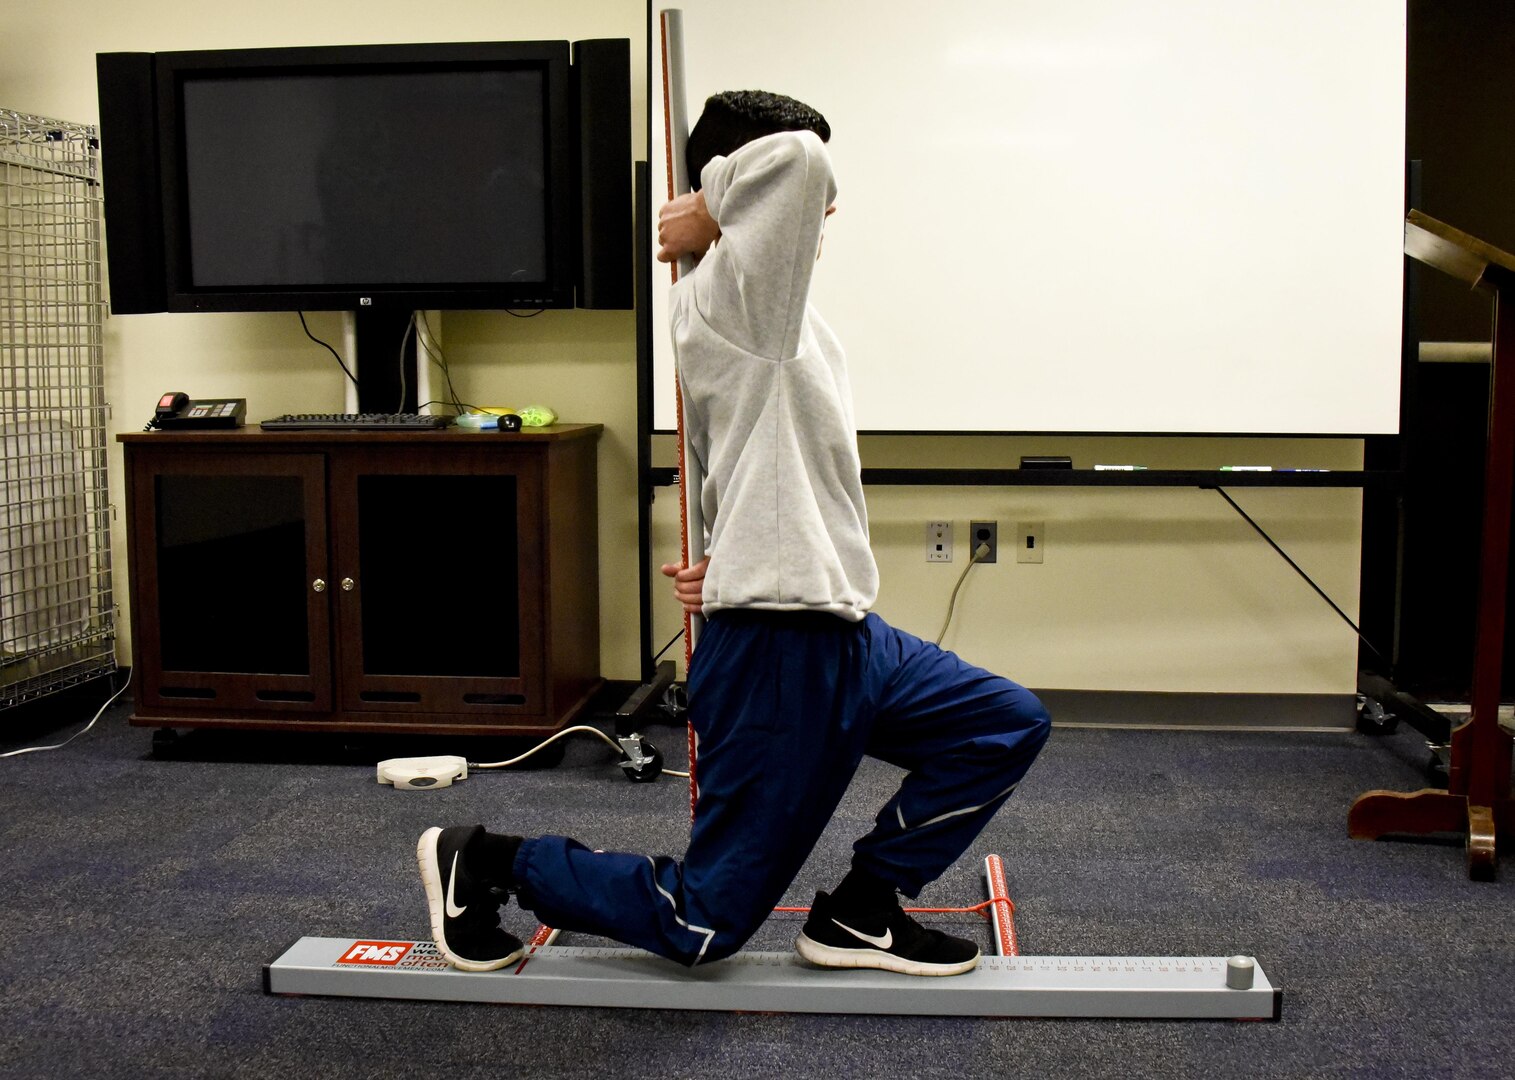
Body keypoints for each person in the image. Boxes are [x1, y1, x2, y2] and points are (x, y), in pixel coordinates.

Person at [417, 90, 1051, 977]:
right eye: (809, 192)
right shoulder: (736, 294)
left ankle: (861, 913)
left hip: (838, 630)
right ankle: (487, 862)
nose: (828, 206)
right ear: (734, 182)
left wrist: (728, 555)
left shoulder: (773, 308)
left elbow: (744, 458)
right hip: (778, 654)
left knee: (1000, 724)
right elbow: (798, 161)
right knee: (702, 925)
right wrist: (709, 207)